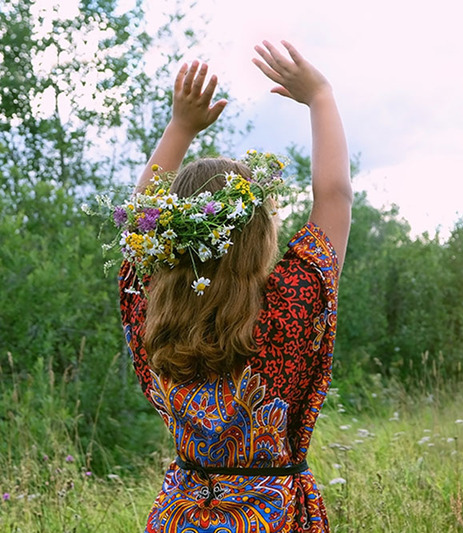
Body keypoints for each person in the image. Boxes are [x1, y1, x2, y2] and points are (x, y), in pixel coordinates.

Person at [117, 40, 351, 533]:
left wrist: (180, 126)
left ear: (168, 236)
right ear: (260, 235)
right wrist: (321, 96)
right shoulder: (288, 305)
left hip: (179, 518)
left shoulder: (150, 313)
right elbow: (334, 195)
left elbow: (137, 224)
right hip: (271, 517)